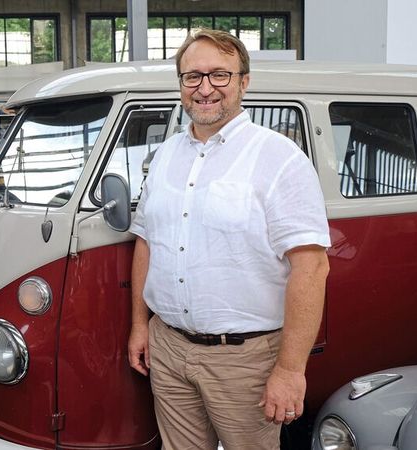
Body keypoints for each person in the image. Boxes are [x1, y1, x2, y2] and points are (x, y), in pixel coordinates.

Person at [127, 30, 331, 449]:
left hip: (245, 359)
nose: (205, 89)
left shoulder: (279, 159)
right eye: (192, 77)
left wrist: (290, 371)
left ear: (244, 81)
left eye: (220, 75)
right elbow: (147, 241)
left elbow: (312, 267)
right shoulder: (164, 156)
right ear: (180, 84)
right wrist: (139, 326)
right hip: (168, 347)